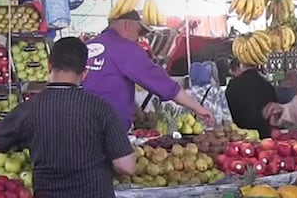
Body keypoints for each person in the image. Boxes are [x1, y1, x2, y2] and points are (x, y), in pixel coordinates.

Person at [0, 37, 136, 198]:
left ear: (49, 65)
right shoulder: (101, 109)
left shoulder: (30, 108)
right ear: (85, 73)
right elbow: (126, 166)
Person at [83, 11, 213, 129]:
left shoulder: (85, 47)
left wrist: (133, 106)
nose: (138, 38)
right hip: (107, 131)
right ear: (128, 25)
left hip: (76, 127)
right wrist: (198, 108)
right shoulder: (127, 49)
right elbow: (163, 84)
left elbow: (107, 85)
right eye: (138, 32)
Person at [224, 57, 279, 138]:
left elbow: (228, 109)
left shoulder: (233, 85)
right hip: (265, 134)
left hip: (241, 136)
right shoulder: (267, 85)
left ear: (240, 66)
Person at [189, 61, 232, 127]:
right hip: (217, 130)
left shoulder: (188, 93)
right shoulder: (218, 91)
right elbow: (226, 115)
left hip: (197, 131)